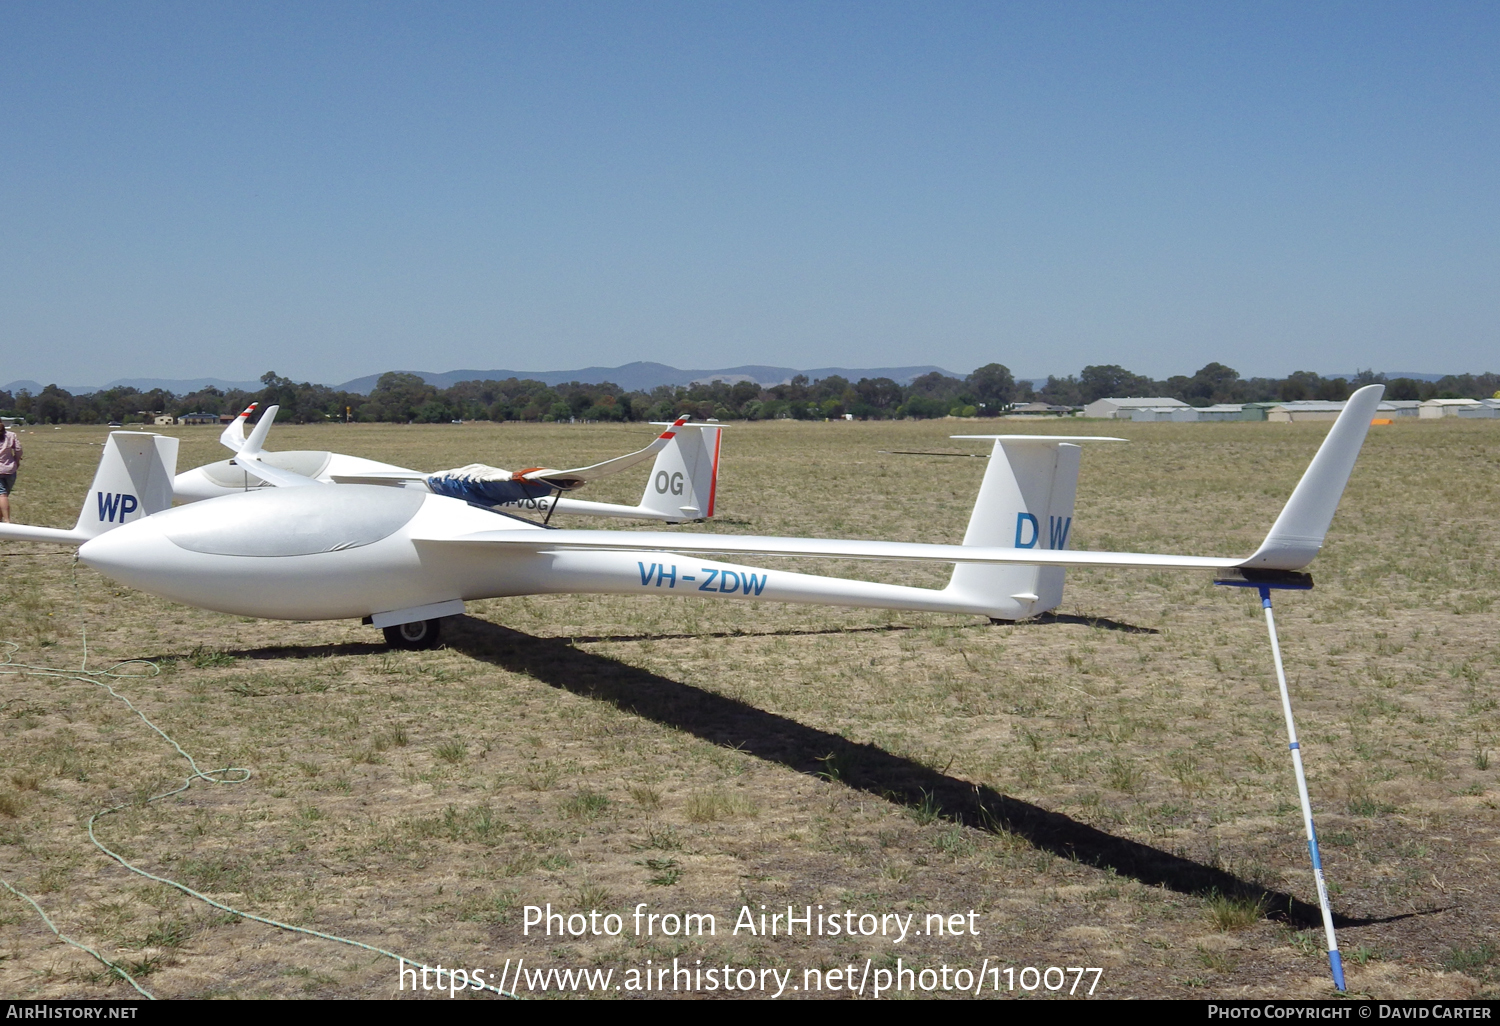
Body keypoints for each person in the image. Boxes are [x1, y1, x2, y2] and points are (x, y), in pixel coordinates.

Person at [0, 422, 21, 524]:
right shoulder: (11, 435)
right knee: (3, 496)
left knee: (2, 496)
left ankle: (7, 521)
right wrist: (16, 461)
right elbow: (18, 449)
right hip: (10, 470)